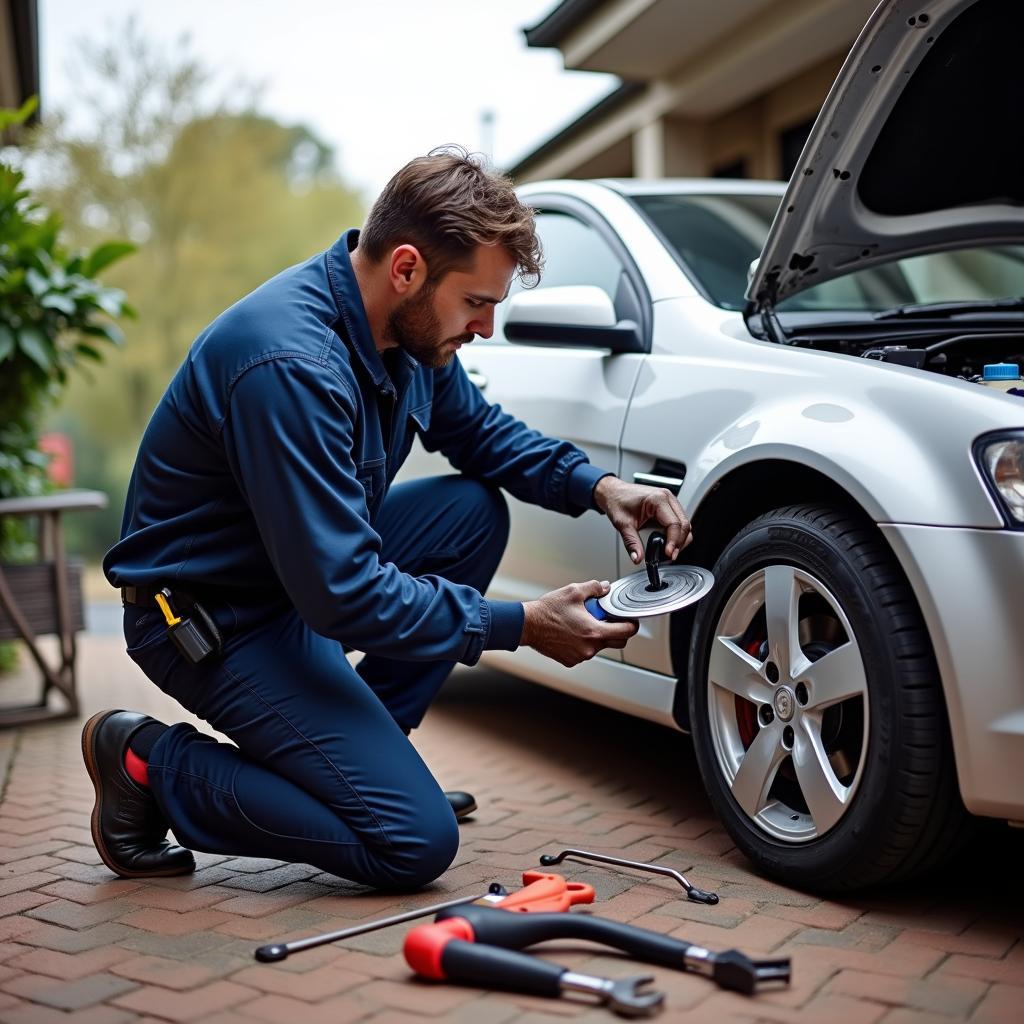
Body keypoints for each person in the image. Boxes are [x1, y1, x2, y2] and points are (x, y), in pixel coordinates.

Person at [85, 146, 692, 888]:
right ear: (407, 268)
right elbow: (343, 593)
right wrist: (524, 624)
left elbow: (481, 435)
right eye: (476, 303)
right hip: (212, 620)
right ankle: (147, 763)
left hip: (294, 579)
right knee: (411, 843)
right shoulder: (289, 366)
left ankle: (362, 759)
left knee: (468, 512)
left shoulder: (408, 337)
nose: (487, 328)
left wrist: (599, 486)